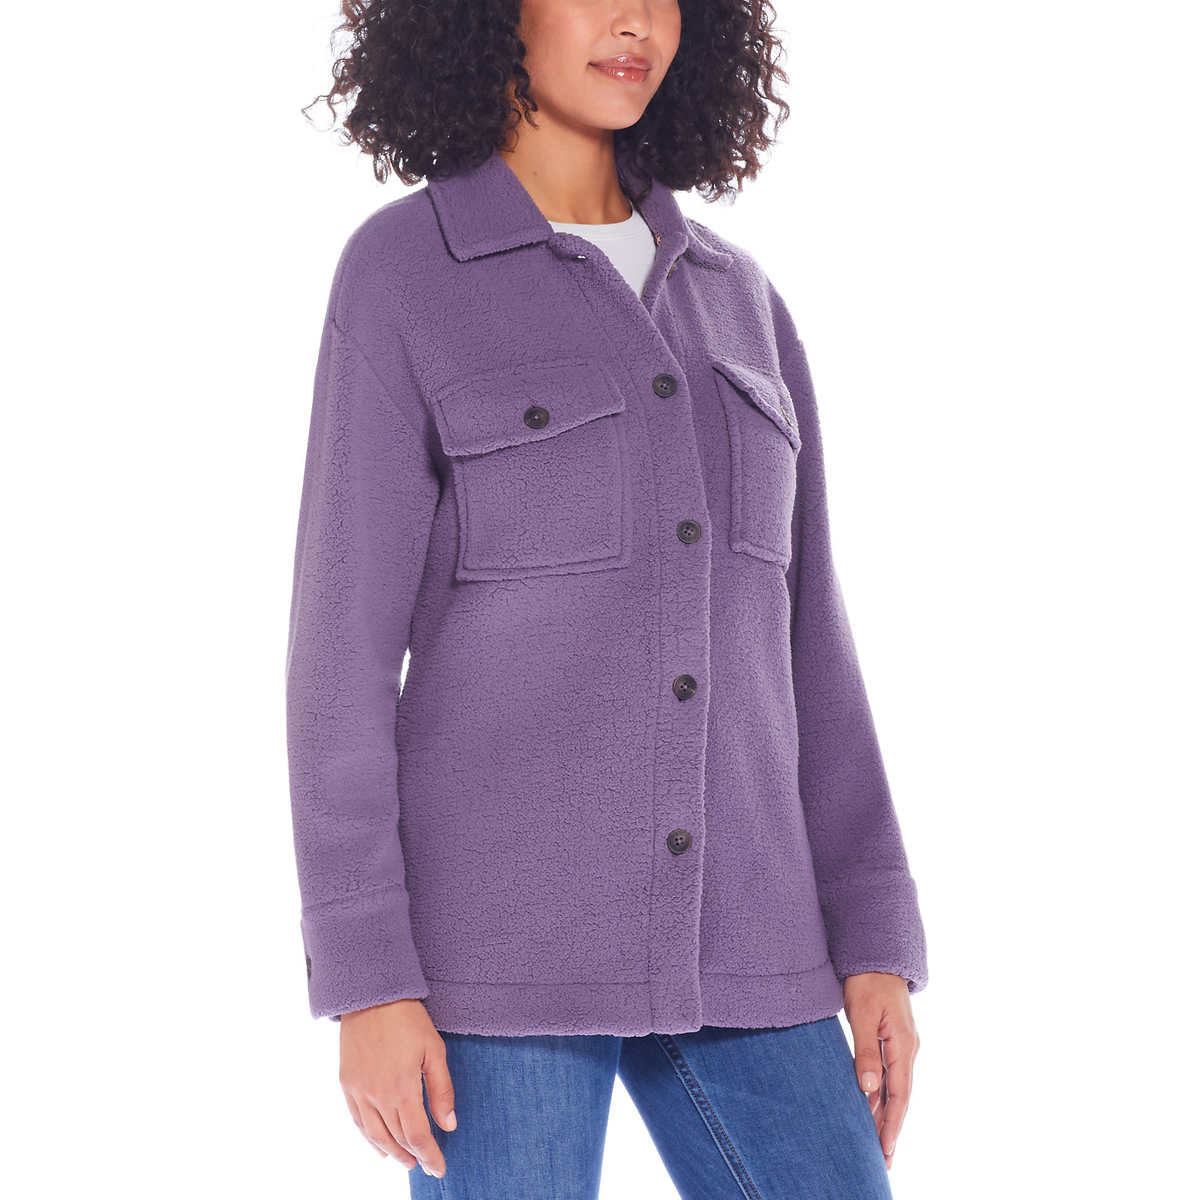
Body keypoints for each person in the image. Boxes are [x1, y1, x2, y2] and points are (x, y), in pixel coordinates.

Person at [286, 2, 929, 1196]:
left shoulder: (741, 300)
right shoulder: (405, 276)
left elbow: (811, 652)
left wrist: (875, 935)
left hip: (753, 937)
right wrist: (368, 978)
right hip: (494, 961)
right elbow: (341, 662)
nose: (635, 20)